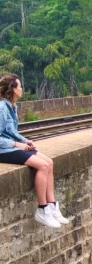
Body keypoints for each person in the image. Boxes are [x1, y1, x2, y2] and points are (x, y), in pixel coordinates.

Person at [0, 73, 70, 228]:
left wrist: (24, 140)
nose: (22, 89)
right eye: (20, 86)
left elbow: (10, 131)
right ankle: (42, 209)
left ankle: (52, 206)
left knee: (49, 162)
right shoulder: (2, 108)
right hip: (4, 150)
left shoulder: (12, 106)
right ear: (13, 89)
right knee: (42, 166)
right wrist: (18, 145)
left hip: (12, 145)